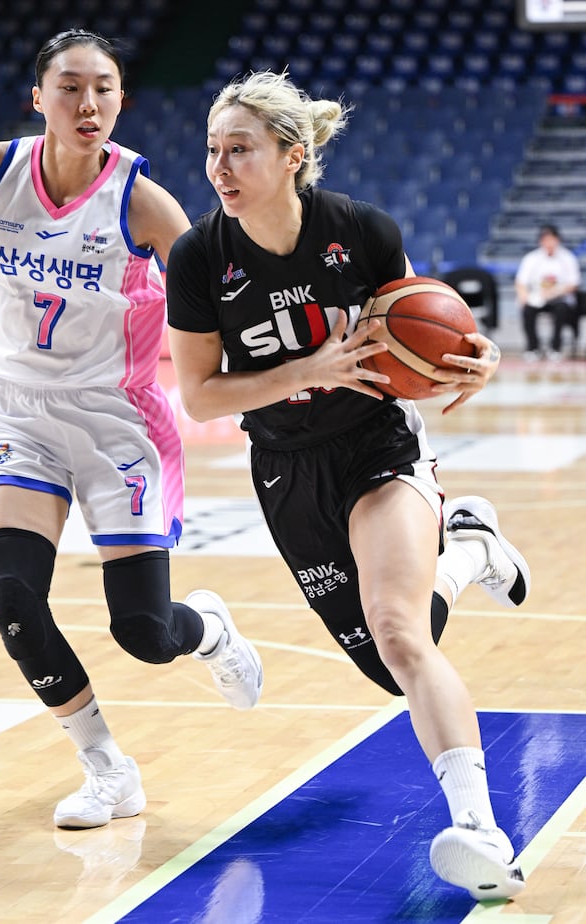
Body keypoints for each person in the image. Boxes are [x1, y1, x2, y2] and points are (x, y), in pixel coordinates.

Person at [166, 71, 531, 903]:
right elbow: (201, 395)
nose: (220, 167)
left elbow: (429, 324)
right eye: (213, 150)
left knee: (401, 634)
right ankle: (470, 550)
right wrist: (309, 369)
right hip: (286, 467)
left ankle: (480, 833)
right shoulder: (199, 257)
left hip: (376, 444)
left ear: (292, 156)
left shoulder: (360, 231)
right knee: (387, 663)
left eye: (240, 149)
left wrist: (474, 360)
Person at [0, 30, 263, 831]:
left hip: (116, 421)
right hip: (17, 413)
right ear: (38, 98)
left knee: (144, 631)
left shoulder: (143, 202)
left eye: (103, 87)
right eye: (69, 87)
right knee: (13, 598)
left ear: (122, 100)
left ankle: (207, 633)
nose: (87, 102)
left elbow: (222, 294)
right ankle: (107, 768)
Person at [515, 223, 581, 361]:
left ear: (557, 240)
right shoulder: (531, 258)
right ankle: (533, 348)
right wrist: (523, 297)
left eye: (552, 239)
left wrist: (554, 292)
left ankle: (555, 348)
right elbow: (521, 281)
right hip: (537, 298)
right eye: (546, 239)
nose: (549, 243)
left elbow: (574, 283)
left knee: (561, 310)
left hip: (560, 299)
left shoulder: (567, 258)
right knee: (527, 310)